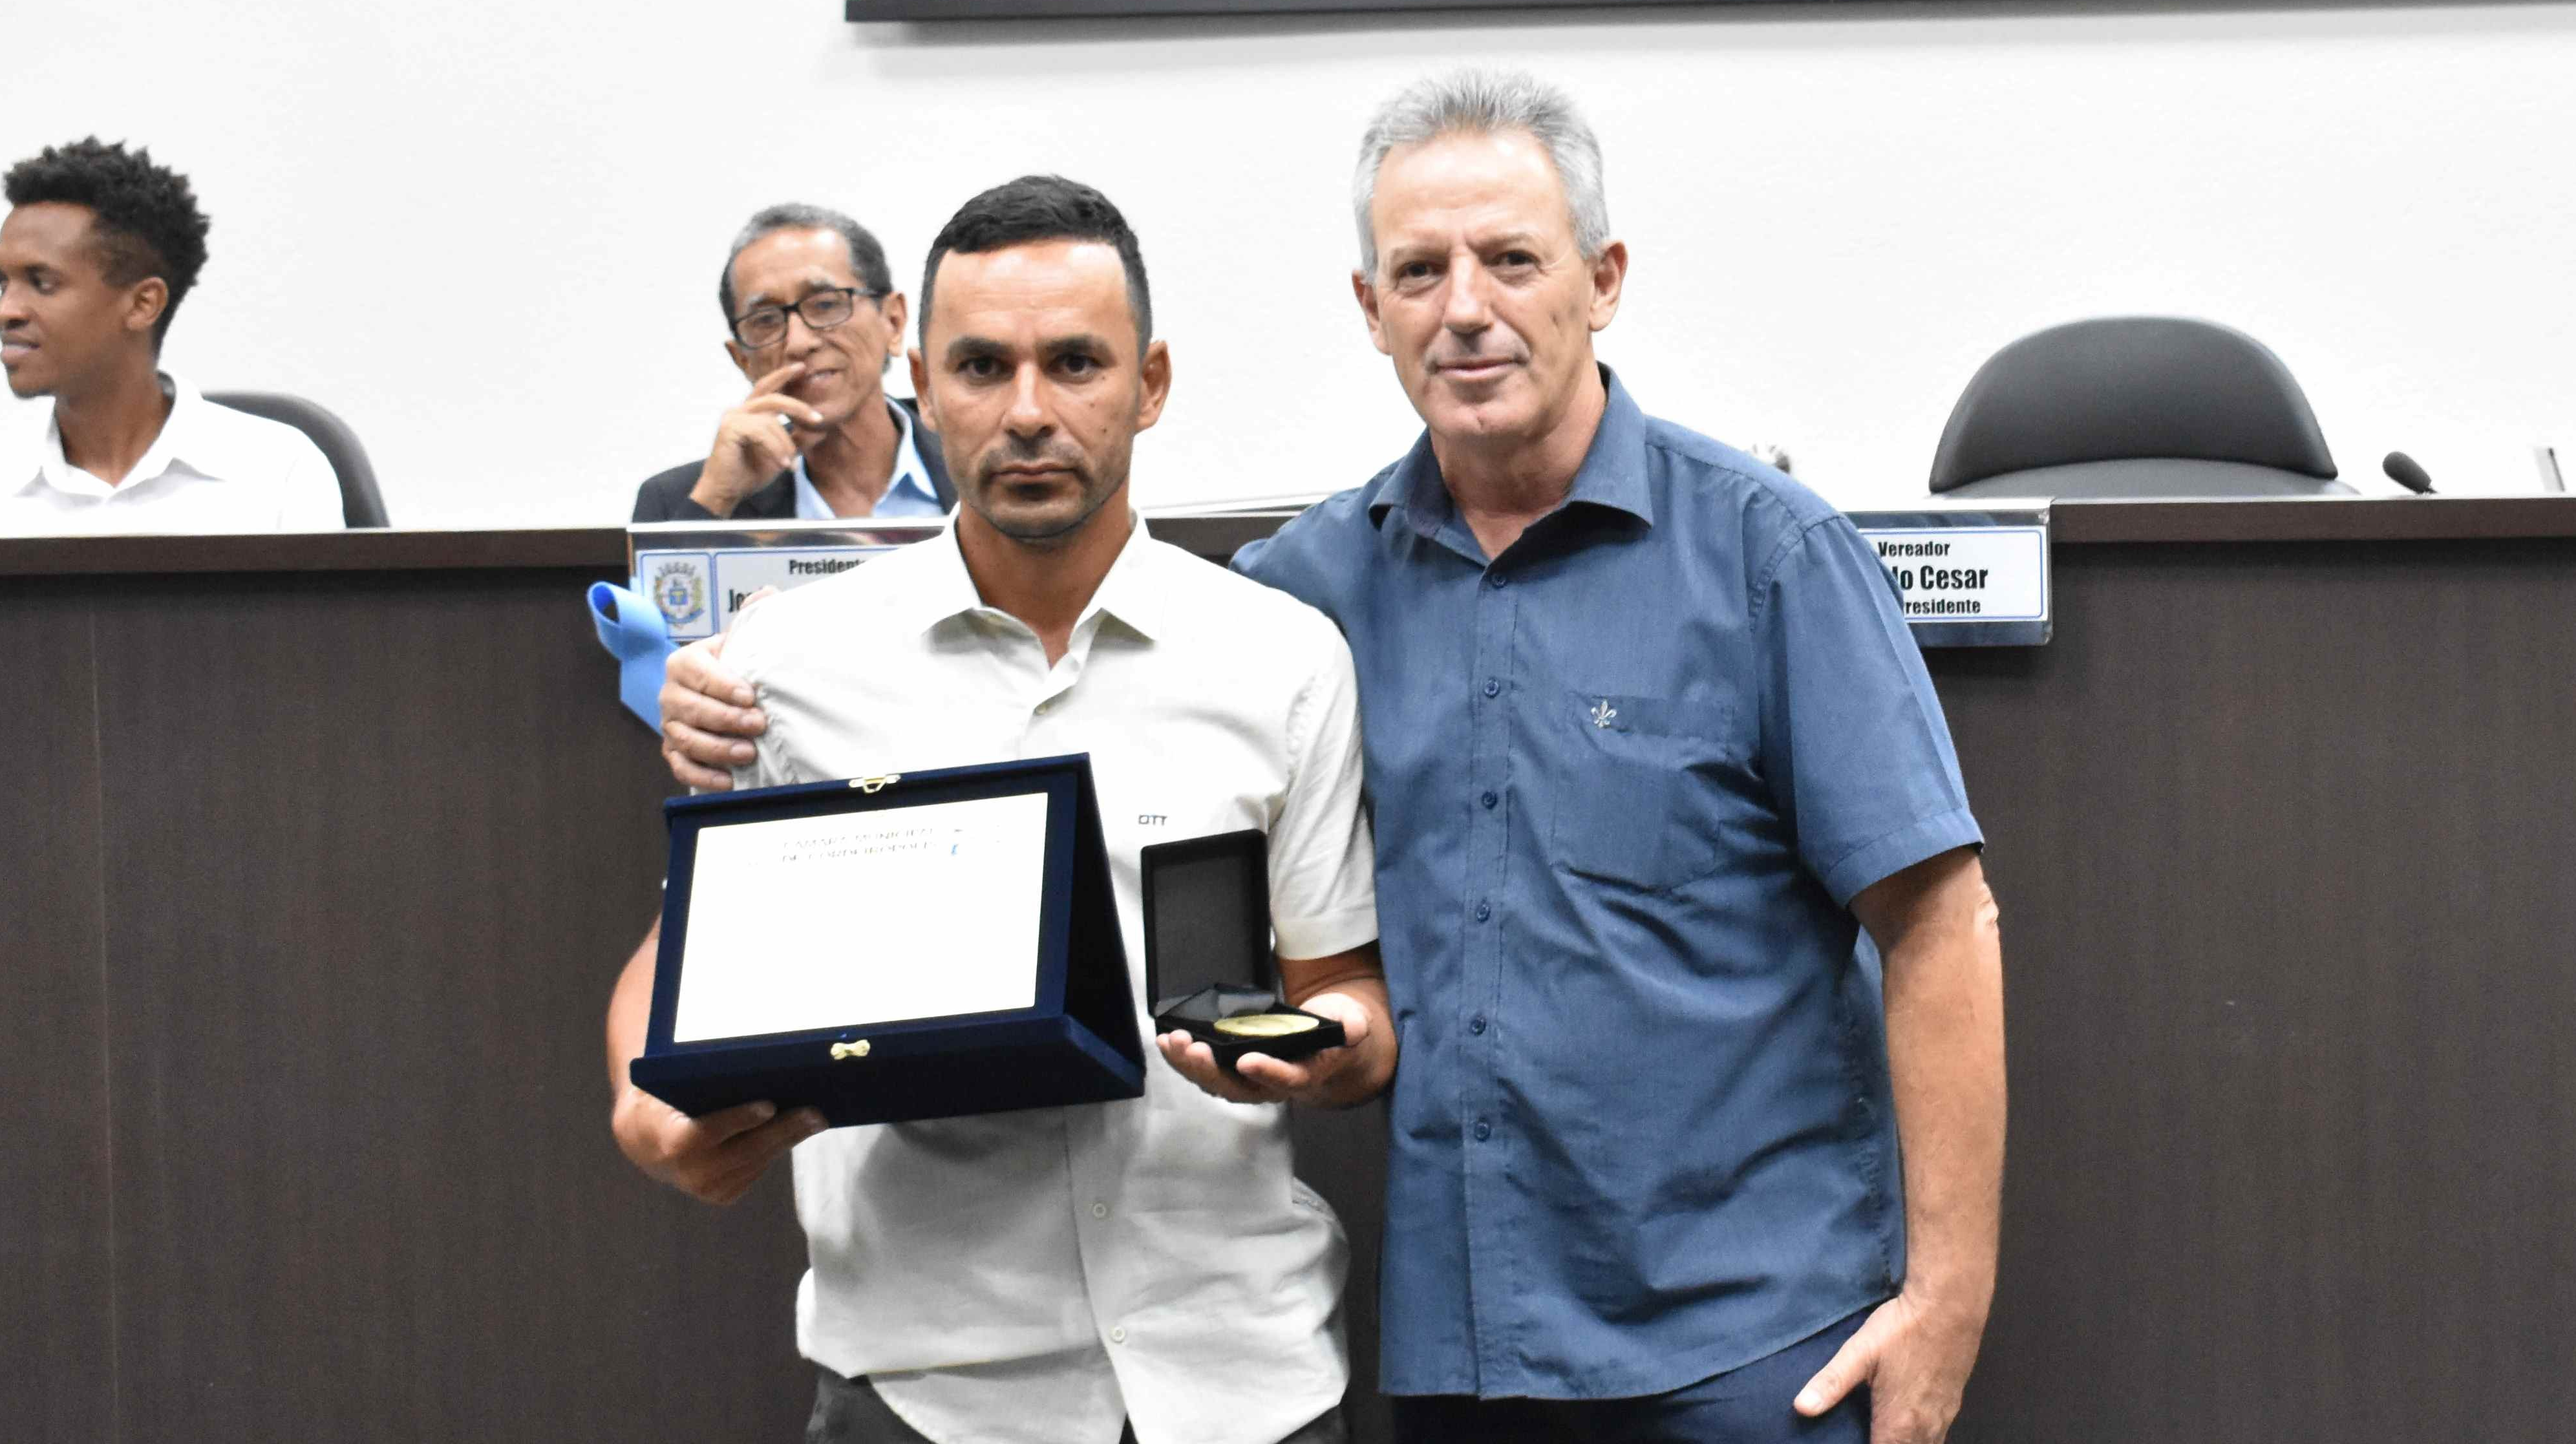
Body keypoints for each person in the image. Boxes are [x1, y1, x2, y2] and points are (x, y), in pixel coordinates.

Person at [657, 72, 2007, 1444]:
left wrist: (1945, 1303)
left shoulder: (1766, 553)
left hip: (1747, 1342)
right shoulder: (1303, 597)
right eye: (1417, 269)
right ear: (1371, 308)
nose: (1465, 306)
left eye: (1512, 260)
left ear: (1601, 279)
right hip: (1466, 1352)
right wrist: (738, 672)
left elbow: (1941, 921)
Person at [605, 175, 1393, 1444]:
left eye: (1075, 362)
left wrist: (1336, 1049)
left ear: (1150, 383)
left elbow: (1343, 985)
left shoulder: (1284, 658)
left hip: (1239, 1379)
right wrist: (648, 1110)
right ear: (923, 377)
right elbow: (677, 965)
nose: (1028, 411)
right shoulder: (786, 663)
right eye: (982, 366)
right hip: (928, 1391)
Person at [1, 138, 342, 534]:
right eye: (2, 285)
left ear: (143, 304)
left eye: (41, 283)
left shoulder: (277, 473)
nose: (8, 310)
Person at [632, 203, 955, 523]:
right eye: (766, 320)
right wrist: (717, 499)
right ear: (743, 359)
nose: (798, 343)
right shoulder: (677, 501)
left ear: (893, 321)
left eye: (826, 304)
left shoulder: (982, 466)